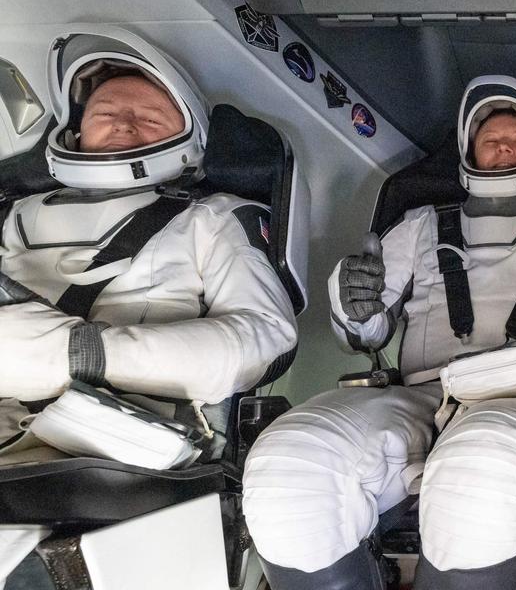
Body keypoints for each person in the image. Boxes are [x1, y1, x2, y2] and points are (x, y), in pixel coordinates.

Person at [242, 76, 516, 590]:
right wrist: (353, 304)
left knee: (481, 472)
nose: (505, 146)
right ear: (469, 154)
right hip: (418, 394)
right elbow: (367, 333)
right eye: (491, 140)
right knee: (291, 460)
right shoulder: (420, 225)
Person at [0, 26, 298, 457]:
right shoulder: (13, 213)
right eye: (105, 112)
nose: (123, 123)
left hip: (126, 442)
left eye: (150, 117)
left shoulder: (212, 216)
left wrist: (83, 355)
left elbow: (267, 340)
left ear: (189, 138)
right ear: (76, 127)